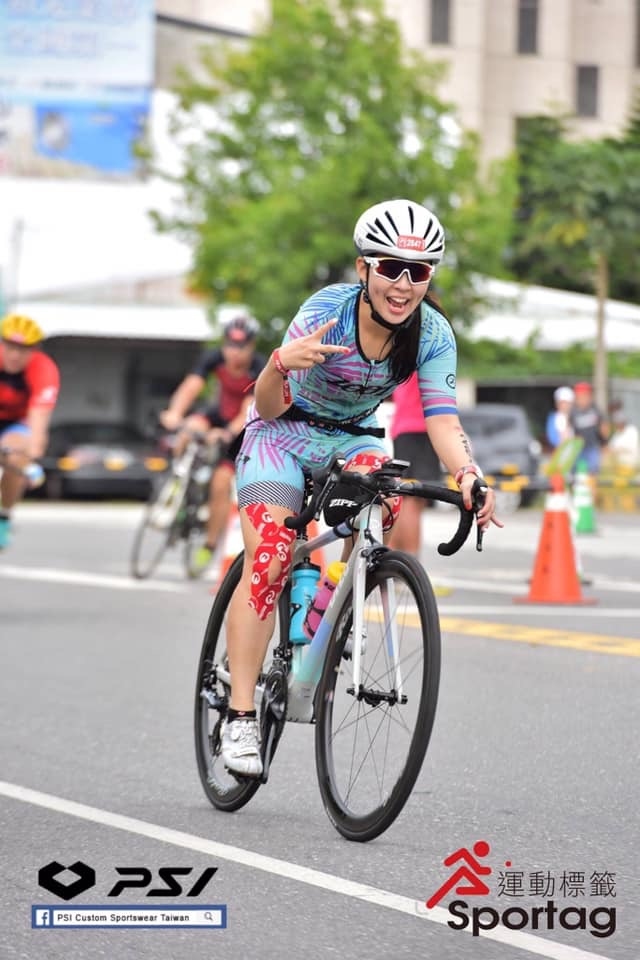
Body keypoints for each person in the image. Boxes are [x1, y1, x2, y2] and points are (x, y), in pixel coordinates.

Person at [220, 198, 501, 777]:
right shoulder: (326, 312)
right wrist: (277, 365)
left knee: (387, 501)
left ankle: (326, 607)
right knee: (270, 559)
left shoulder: (432, 333)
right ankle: (240, 715)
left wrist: (468, 474)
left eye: (418, 272)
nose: (403, 285)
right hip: (282, 435)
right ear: (363, 269)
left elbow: (442, 419)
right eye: (391, 268)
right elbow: (267, 406)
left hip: (354, 439)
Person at [159, 313, 266, 567]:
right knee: (189, 429)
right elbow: (191, 387)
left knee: (220, 483)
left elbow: (248, 409)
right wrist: (175, 412)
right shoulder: (214, 358)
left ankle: (209, 544)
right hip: (216, 414)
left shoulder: (259, 367)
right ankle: (177, 480)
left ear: (251, 346)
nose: (234, 352)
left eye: (241, 347)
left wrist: (227, 433)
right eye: (229, 345)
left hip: (241, 428)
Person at [0, 313, 60, 548]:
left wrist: (32, 460)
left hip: (16, 422)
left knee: (16, 453)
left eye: (23, 349)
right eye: (10, 347)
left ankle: (4, 515)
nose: (15, 355)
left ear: (34, 350)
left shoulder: (44, 369)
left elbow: (39, 419)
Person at [388, 371, 442, 556]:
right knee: (413, 497)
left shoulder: (401, 358)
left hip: (404, 426)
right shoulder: (421, 355)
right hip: (420, 426)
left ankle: (393, 557)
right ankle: (410, 560)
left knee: (404, 496)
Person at [570, 381, 609, 477]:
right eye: (579, 397)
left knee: (593, 470)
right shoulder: (573, 411)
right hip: (578, 448)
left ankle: (592, 484)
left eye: (584, 396)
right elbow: (569, 428)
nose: (582, 400)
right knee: (578, 473)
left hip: (592, 446)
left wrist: (604, 443)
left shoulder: (595, 410)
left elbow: (603, 427)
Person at [545, 385, 574, 450]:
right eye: (562, 403)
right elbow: (552, 437)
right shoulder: (553, 418)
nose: (565, 405)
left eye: (567, 403)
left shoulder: (574, 416)